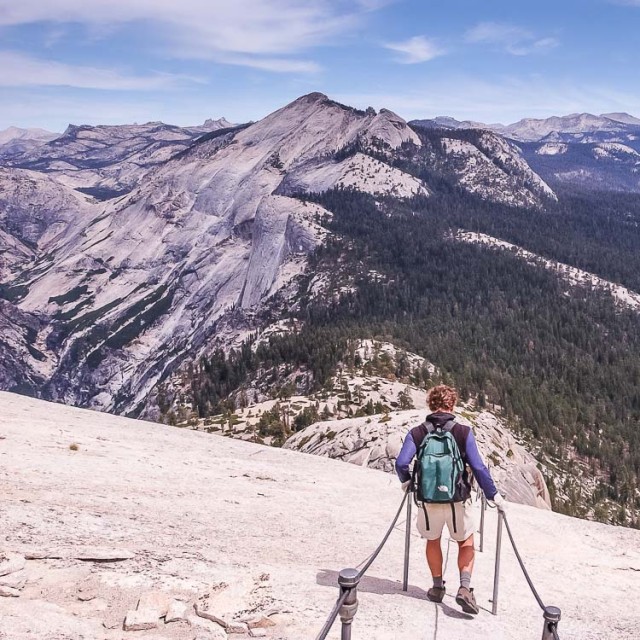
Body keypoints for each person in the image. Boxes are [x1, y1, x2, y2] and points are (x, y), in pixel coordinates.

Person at [395, 384, 505, 614]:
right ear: (452, 404)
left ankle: (437, 588)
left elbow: (401, 463)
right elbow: (478, 466)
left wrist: (407, 482)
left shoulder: (417, 432)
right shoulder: (463, 432)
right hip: (457, 499)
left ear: (430, 404)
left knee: (432, 540)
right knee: (465, 542)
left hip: (428, 499)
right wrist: (493, 494)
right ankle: (465, 588)